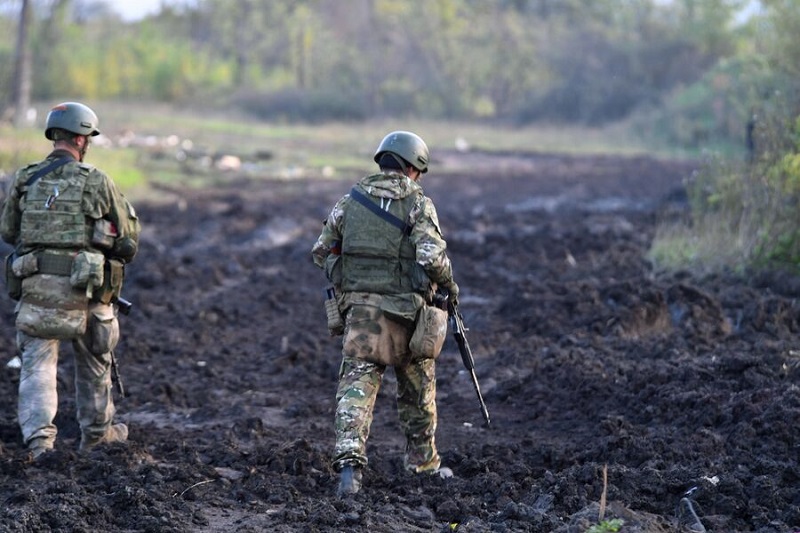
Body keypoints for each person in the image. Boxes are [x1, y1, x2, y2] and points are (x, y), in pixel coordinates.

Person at [311, 131, 459, 496]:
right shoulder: (418, 204)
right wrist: (450, 287)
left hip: (363, 316)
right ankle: (424, 465)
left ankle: (348, 469)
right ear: (414, 167)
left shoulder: (351, 200)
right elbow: (431, 258)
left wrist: (350, 286)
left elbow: (322, 251)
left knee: (356, 388)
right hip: (409, 313)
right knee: (418, 392)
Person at [0, 102, 140, 459]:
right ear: (82, 139)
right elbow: (127, 240)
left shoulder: (25, 178)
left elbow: (8, 231)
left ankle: (39, 442)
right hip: (87, 290)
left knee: (37, 367)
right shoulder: (97, 180)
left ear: (55, 136)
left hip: (36, 290)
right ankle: (96, 436)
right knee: (95, 362)